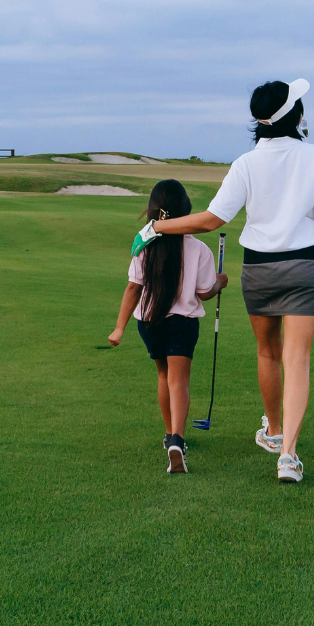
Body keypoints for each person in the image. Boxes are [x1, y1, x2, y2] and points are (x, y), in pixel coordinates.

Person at [139, 79, 314, 483]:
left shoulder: (245, 164)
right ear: (295, 116)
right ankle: (287, 456)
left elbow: (212, 220)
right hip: (305, 265)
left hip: (259, 270)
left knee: (268, 352)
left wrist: (157, 228)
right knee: (296, 358)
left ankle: (273, 430)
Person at [109, 179, 229, 473]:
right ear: (186, 211)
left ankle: (169, 436)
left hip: (149, 323)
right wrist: (220, 282)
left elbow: (132, 289)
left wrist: (119, 329)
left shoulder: (144, 243)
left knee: (164, 376)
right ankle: (178, 438)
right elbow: (204, 292)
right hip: (182, 324)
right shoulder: (198, 248)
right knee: (180, 382)